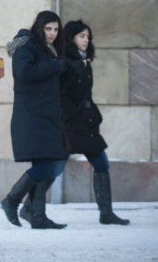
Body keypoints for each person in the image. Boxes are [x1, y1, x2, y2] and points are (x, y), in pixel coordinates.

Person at [52, 20, 129, 225]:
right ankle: (28, 206)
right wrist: (72, 119)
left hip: (86, 124)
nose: (86, 40)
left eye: (88, 36)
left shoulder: (85, 63)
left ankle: (106, 213)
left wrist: (94, 116)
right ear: (71, 38)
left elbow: (87, 95)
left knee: (101, 163)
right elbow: (62, 96)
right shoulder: (65, 62)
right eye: (81, 36)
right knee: (54, 167)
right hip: (71, 124)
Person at [0, 10, 68, 229]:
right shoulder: (26, 47)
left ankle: (37, 216)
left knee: (46, 163)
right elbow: (23, 72)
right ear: (39, 27)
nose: (52, 33)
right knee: (44, 166)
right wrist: (56, 65)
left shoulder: (47, 49)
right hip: (31, 117)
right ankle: (11, 201)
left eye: (56, 29)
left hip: (45, 116)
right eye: (48, 28)